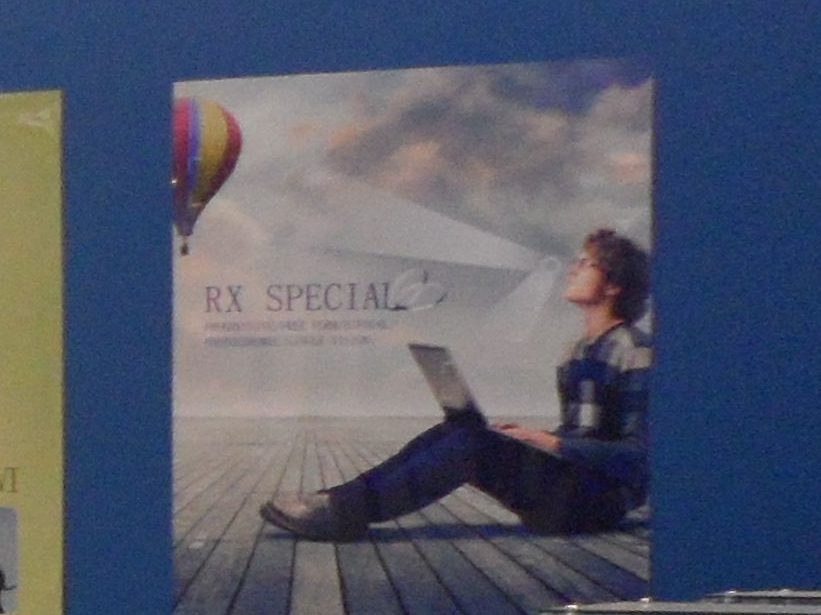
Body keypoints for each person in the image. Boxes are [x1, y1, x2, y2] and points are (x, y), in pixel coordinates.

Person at [257, 230, 651, 544]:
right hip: (569, 489)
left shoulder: (634, 350)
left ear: (613, 285)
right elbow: (585, 434)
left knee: (471, 443)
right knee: (461, 429)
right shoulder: (577, 349)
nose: (572, 270)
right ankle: (339, 501)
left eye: (586, 264)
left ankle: (343, 512)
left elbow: (639, 457)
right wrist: (530, 438)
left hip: (595, 503)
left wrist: (549, 443)